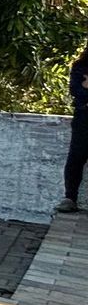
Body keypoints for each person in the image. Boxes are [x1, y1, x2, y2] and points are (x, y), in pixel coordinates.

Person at [62, 42, 88, 213]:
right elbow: (75, 91)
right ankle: (70, 198)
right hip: (84, 117)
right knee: (76, 157)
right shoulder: (80, 66)